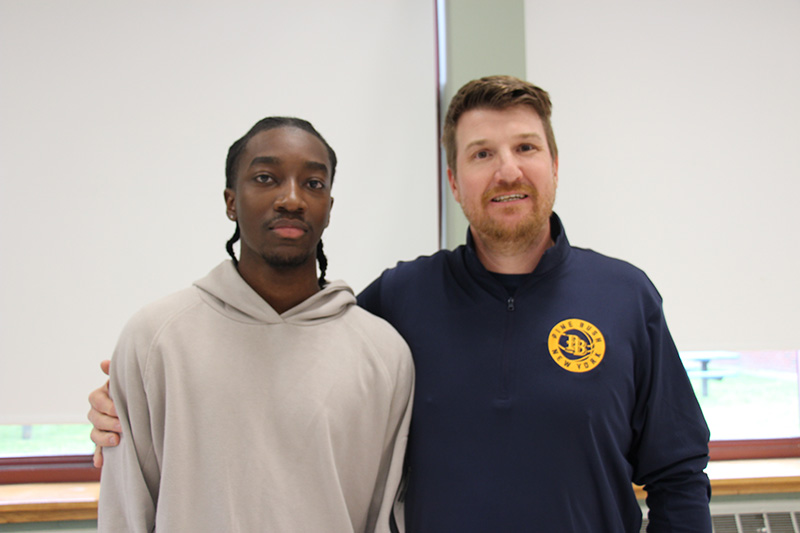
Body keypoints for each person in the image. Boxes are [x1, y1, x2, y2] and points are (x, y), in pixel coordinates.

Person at [90, 77, 711, 532]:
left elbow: (678, 476)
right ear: (453, 179)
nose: (507, 171)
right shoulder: (402, 300)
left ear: (554, 164)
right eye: (481, 154)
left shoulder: (626, 297)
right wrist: (131, 404)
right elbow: (287, 348)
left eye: (525, 148)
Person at [95, 116, 414, 532]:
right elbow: (125, 513)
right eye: (266, 178)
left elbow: (386, 517)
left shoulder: (384, 354)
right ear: (231, 201)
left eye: (314, 184)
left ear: (329, 209)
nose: (292, 199)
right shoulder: (156, 339)